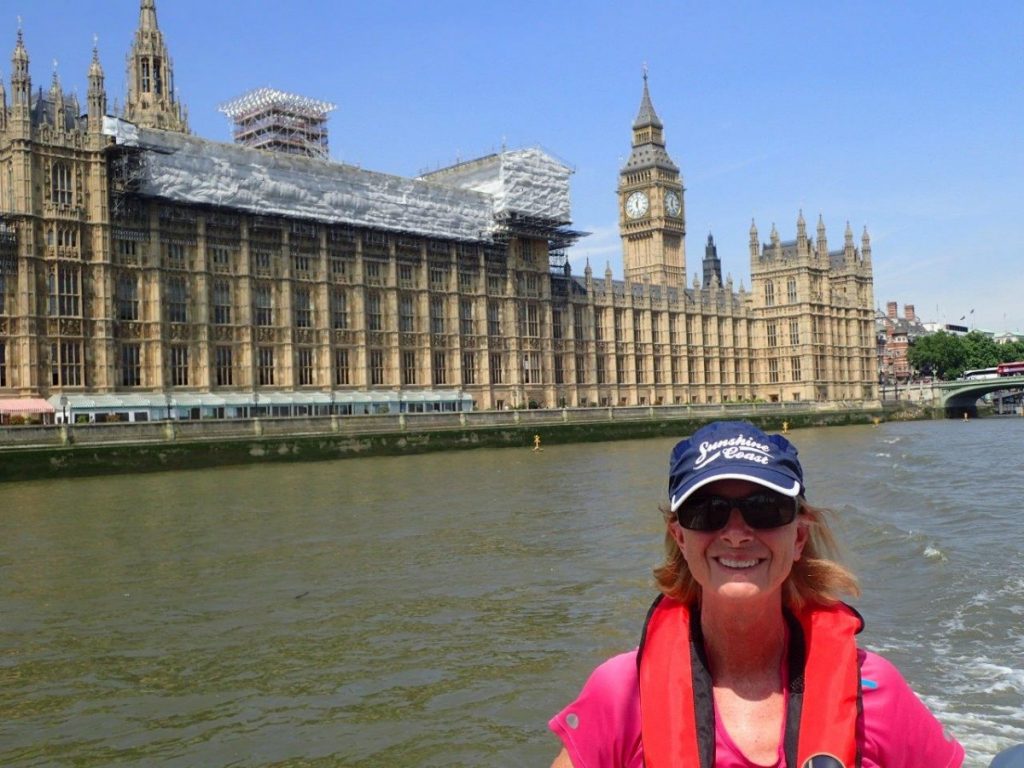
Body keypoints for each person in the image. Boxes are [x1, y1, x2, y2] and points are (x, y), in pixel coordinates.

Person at [549, 420, 964, 768]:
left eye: (765, 509)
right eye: (707, 511)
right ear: (679, 537)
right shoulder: (620, 695)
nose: (735, 534)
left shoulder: (876, 693)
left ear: (799, 536)